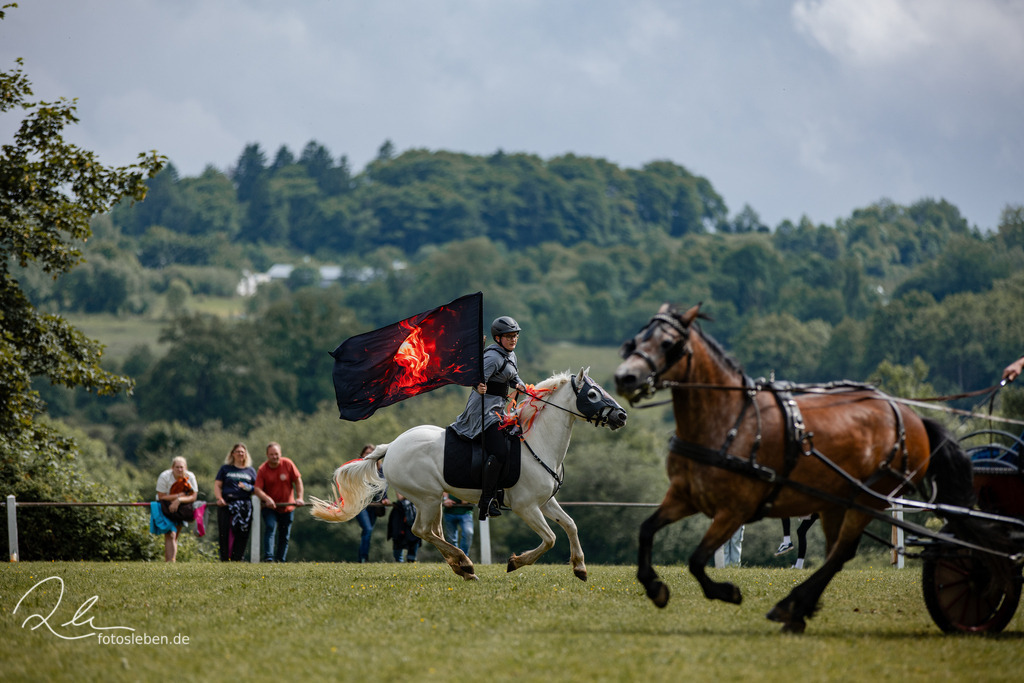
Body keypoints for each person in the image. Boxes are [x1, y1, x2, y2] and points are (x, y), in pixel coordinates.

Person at [451, 315, 528, 519]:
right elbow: (474, 378)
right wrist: (478, 385)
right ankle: (486, 499)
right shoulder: (492, 357)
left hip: (499, 409)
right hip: (483, 411)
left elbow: (512, 376)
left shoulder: (511, 355)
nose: (513, 339)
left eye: (515, 335)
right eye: (509, 336)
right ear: (497, 339)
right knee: (500, 453)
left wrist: (519, 384)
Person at [215, 443, 272, 561]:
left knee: (242, 532)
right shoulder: (225, 469)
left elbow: (257, 488)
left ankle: (238, 558)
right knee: (226, 533)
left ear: (246, 454)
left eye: (242, 452)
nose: (240, 454)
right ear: (232, 454)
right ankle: (225, 559)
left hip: (244, 506)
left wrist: (248, 487)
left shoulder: (250, 471)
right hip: (227, 505)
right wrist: (219, 498)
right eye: (238, 452)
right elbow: (217, 485)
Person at [254, 441, 304, 562]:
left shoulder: (288, 464)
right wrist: (267, 499)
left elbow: (298, 481)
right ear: (267, 455)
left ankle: (280, 560)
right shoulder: (262, 469)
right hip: (269, 507)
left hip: (287, 507)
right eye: (271, 454)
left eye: (276, 454)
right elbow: (257, 489)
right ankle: (269, 557)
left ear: (280, 453)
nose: (274, 457)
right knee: (270, 528)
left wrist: (299, 498)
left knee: (284, 534)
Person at [155, 456, 198, 562]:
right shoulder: (165, 476)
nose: (179, 469)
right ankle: (170, 561)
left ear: (185, 468)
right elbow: (161, 496)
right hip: (164, 506)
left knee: (175, 534)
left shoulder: (190, 477)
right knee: (170, 533)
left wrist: (178, 500)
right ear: (172, 468)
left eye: (181, 467)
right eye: (177, 467)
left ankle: (170, 561)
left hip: (182, 507)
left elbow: (193, 496)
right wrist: (179, 495)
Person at [353, 443, 389, 562]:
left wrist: (384, 498)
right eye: (367, 453)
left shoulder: (380, 468)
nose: (369, 456)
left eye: (371, 454)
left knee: (367, 532)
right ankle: (364, 558)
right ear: (362, 455)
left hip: (374, 505)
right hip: (360, 504)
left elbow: (383, 484)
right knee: (368, 529)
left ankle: (361, 559)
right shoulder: (357, 467)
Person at [387, 493, 421, 562]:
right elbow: (400, 497)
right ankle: (399, 560)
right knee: (398, 536)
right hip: (400, 513)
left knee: (415, 535)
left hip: (414, 511)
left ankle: (411, 559)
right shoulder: (399, 482)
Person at [441, 491, 474, 556]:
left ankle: (464, 557)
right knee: (451, 539)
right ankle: (455, 557)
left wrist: (467, 499)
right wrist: (446, 499)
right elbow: (444, 488)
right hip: (449, 512)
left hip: (466, 512)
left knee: (468, 532)